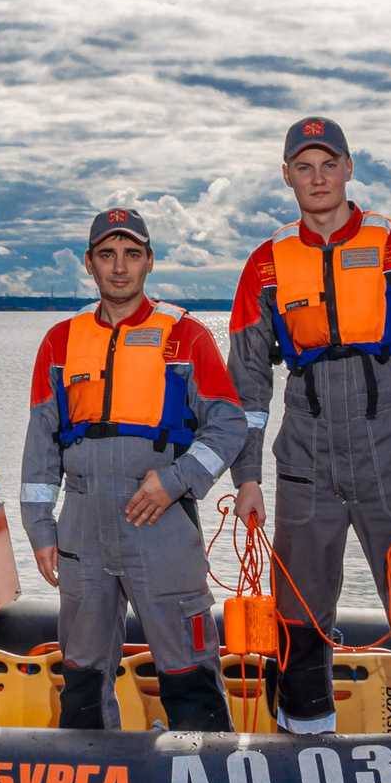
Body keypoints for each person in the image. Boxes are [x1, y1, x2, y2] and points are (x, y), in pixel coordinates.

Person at [227, 117, 391, 734]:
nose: (317, 178)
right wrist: (247, 476)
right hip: (304, 452)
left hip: (390, 444)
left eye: (328, 164)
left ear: (348, 168)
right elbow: (248, 385)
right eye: (303, 166)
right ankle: (303, 733)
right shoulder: (266, 265)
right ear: (287, 176)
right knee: (298, 605)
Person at [21, 208, 241, 732]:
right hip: (81, 527)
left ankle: (207, 780)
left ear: (149, 262)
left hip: (159, 522)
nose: (120, 267)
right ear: (89, 264)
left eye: (132, 254)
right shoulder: (60, 341)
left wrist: (176, 479)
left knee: (188, 669)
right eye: (107, 255)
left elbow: (229, 425)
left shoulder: (185, 337)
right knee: (80, 673)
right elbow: (39, 447)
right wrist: (39, 527)